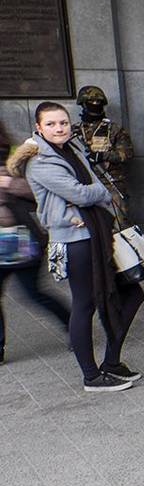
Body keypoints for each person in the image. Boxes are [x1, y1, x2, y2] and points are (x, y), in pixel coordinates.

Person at [25, 102, 144, 392]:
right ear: (39, 128)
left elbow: (85, 189)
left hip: (95, 235)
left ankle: (112, 362)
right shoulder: (41, 159)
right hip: (74, 241)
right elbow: (82, 191)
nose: (59, 128)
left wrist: (90, 196)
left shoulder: (72, 149)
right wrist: (101, 192)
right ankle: (91, 376)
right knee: (85, 304)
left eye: (63, 123)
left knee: (132, 293)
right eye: (51, 124)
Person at [0, 125, 70, 364]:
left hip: (20, 239)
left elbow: (36, 193)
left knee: (33, 293)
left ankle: (73, 324)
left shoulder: (16, 156)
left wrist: (8, 184)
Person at [70, 85, 133, 214]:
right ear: (83, 104)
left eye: (98, 102)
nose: (95, 104)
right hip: (83, 185)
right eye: (91, 102)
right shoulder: (74, 131)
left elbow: (127, 153)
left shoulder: (113, 129)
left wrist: (103, 156)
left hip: (111, 184)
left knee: (119, 226)